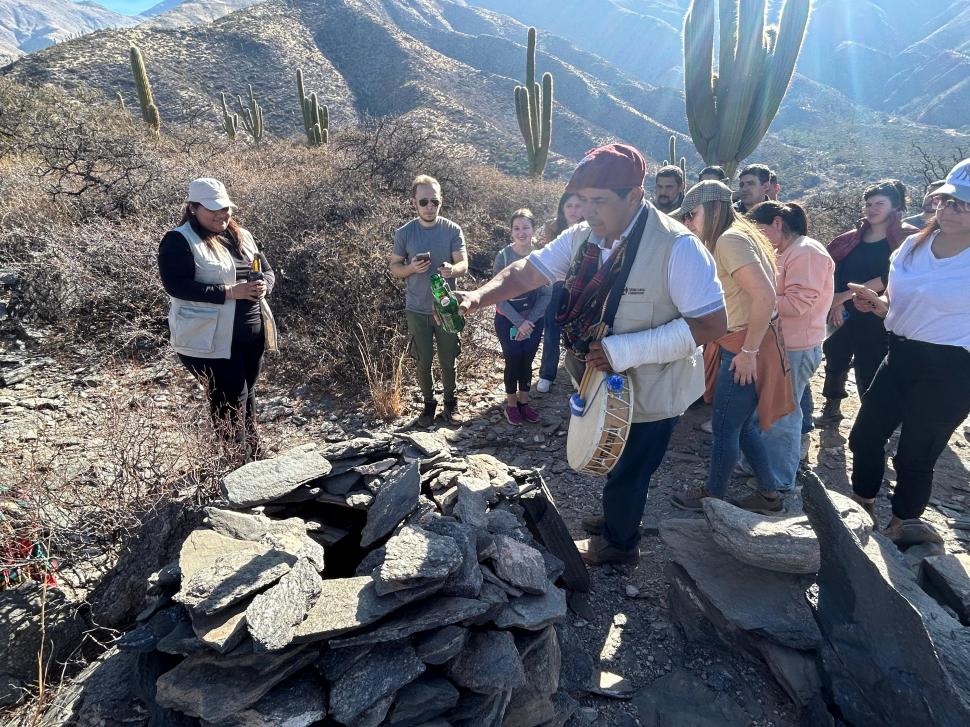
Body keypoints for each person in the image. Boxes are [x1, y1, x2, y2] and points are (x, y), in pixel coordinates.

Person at [458, 144, 726, 565]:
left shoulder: (678, 248)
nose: (590, 212)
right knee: (613, 455)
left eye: (600, 202)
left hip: (656, 388)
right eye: (584, 201)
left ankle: (620, 545)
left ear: (635, 196)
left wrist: (627, 349)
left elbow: (712, 324)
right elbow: (528, 271)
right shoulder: (585, 237)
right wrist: (478, 296)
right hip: (603, 378)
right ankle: (615, 519)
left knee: (632, 468)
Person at [846, 159, 970, 546]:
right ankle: (861, 505)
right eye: (945, 201)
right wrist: (878, 304)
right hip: (900, 354)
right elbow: (898, 304)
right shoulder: (913, 247)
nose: (947, 210)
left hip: (952, 369)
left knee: (916, 454)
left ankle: (903, 522)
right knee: (865, 436)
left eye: (961, 204)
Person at [669, 182, 795, 515]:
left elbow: (765, 296)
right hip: (746, 342)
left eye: (692, 215)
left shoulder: (729, 240)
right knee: (743, 425)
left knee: (725, 427)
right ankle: (768, 494)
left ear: (712, 209)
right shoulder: (742, 232)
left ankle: (713, 496)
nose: (689, 223)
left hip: (743, 346)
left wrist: (748, 353)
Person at [158, 178, 276, 461]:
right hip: (208, 339)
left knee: (247, 394)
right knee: (228, 396)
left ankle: (253, 453)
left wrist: (264, 286)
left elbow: (267, 271)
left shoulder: (242, 235)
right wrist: (229, 292)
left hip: (251, 333)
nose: (221, 214)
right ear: (193, 208)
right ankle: (234, 459)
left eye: (225, 208)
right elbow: (177, 285)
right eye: (213, 209)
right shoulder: (179, 240)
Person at [745, 201, 834, 488]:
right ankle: (756, 466)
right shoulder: (786, 252)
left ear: (778, 223)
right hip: (778, 345)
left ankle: (779, 479)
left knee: (783, 412)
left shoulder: (807, 252)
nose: (756, 237)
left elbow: (797, 304)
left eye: (759, 230)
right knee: (765, 408)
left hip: (795, 346)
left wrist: (751, 303)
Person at [819, 180, 917, 423]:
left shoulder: (907, 240)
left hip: (878, 315)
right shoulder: (851, 239)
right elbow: (837, 272)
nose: (872, 208)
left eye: (879, 204)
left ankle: (871, 418)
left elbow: (891, 277)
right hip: (844, 312)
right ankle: (831, 407)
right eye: (868, 204)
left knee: (870, 365)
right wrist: (837, 303)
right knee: (835, 355)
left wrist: (845, 296)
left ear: (895, 207)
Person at [390, 175, 469, 428]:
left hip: (446, 307)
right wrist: (411, 267)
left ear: (441, 201)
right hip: (417, 309)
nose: (429, 207)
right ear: (414, 202)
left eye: (434, 201)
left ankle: (450, 403)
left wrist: (452, 270)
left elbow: (463, 264)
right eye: (423, 201)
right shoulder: (404, 232)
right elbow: (394, 267)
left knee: (449, 360)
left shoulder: (452, 230)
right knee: (423, 361)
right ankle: (428, 405)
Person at [493, 210, 551, 424]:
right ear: (511, 232)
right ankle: (511, 405)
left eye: (526, 227)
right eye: (516, 228)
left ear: (533, 230)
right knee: (513, 359)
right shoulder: (504, 256)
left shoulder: (541, 255)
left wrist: (530, 321)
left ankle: (524, 402)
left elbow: (547, 292)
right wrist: (519, 322)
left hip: (534, 319)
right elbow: (496, 293)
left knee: (527, 360)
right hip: (507, 319)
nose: (521, 232)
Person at [536, 192, 584, 393]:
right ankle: (547, 374)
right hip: (556, 285)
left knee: (580, 332)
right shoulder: (551, 227)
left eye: (577, 206)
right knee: (551, 331)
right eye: (569, 206)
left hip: (581, 288)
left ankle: (581, 375)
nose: (573, 210)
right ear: (562, 208)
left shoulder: (591, 228)